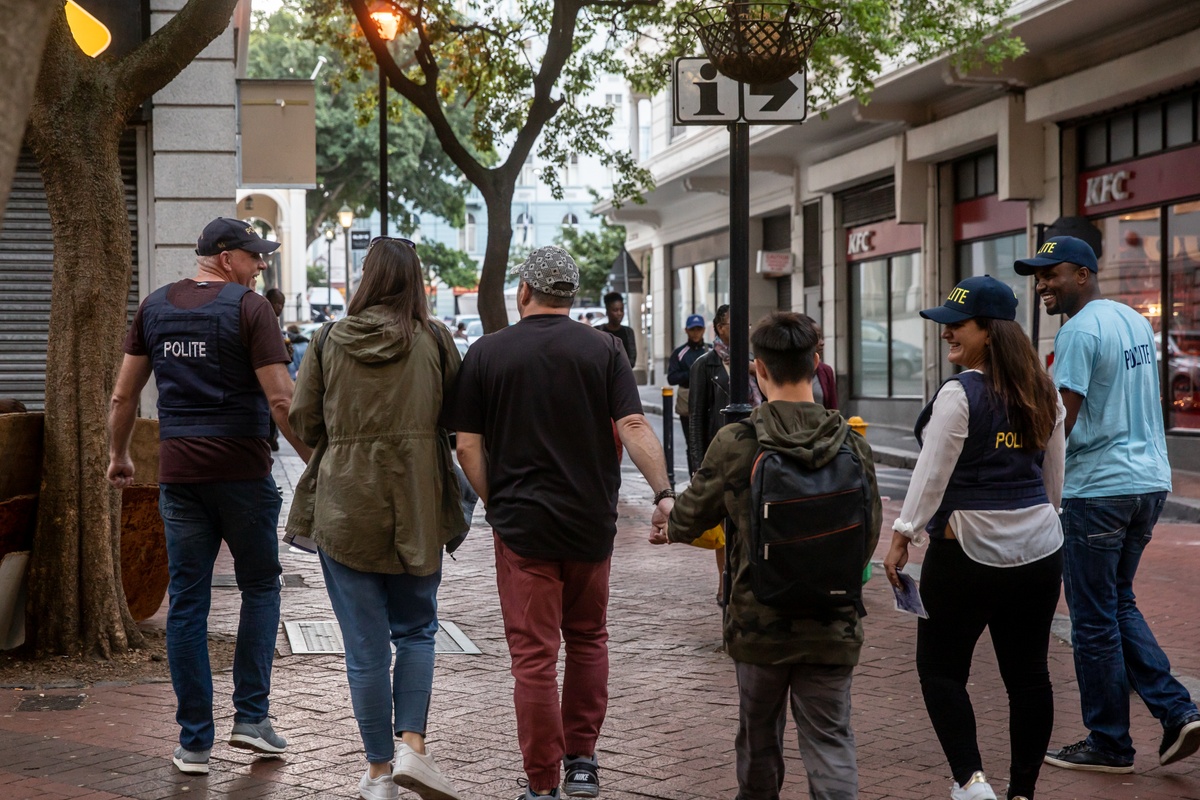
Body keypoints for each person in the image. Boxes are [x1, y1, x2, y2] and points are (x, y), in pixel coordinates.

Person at [442, 246, 674, 800]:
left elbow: (467, 448)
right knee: (589, 638)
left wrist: (497, 500)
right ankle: (584, 764)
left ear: (523, 292)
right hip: (590, 524)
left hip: (523, 529)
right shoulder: (605, 349)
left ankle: (543, 785)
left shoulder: (488, 353)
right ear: (571, 297)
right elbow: (635, 425)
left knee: (534, 659)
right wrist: (665, 494)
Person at [106, 217, 312, 776]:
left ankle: (195, 742)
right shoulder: (251, 310)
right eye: (255, 255)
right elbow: (281, 401)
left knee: (188, 603)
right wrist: (315, 461)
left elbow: (124, 394)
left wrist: (119, 455)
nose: (262, 265)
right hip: (243, 474)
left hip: (180, 478)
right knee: (261, 587)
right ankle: (252, 718)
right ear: (225, 257)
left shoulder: (153, 308)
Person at [651, 311, 881, 800]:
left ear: (757, 369)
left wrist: (668, 521)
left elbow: (691, 517)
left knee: (759, 740)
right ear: (815, 363)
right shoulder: (851, 443)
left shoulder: (738, 441)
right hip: (833, 622)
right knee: (831, 740)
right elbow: (869, 534)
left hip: (759, 622)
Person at [287, 236, 467, 800]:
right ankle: (412, 744)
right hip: (417, 501)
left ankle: (378, 775)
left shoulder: (327, 339)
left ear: (366, 278)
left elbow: (303, 420)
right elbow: (460, 417)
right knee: (416, 631)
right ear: (415, 278)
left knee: (365, 647)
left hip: (345, 504)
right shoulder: (435, 340)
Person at [1016, 236, 1200, 773]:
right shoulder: (1132, 320)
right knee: (1117, 603)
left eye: (1052, 274)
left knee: (1094, 618)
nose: (1042, 285)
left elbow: (1061, 421)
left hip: (1098, 488)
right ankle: (1177, 713)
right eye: (1038, 277)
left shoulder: (1077, 331)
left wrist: (1033, 480)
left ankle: (1110, 742)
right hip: (1148, 482)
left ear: (1084, 273)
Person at [883, 275, 1065, 800]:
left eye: (956, 325)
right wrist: (1039, 526)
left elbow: (930, 476)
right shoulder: (1043, 391)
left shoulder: (960, 394)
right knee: (1029, 676)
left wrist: (901, 537)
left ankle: (972, 781)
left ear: (989, 330)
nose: (947, 334)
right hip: (1038, 551)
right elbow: (1053, 481)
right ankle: (1022, 792)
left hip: (965, 552)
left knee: (940, 670)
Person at [688, 304, 762, 600]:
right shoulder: (705, 365)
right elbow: (696, 419)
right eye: (735, 324)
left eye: (745, 324)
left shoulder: (756, 363)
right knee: (723, 520)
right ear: (719, 328)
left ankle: (748, 577)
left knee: (750, 518)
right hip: (721, 454)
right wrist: (697, 466)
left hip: (756, 450)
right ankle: (724, 579)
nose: (742, 330)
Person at [666, 314, 708, 475]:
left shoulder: (710, 350)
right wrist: (693, 373)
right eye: (692, 329)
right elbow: (672, 377)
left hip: (708, 399)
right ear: (686, 331)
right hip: (687, 400)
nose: (696, 333)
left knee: (709, 442)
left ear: (704, 330)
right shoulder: (679, 353)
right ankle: (694, 477)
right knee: (692, 443)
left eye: (699, 329)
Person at [264, 288, 291, 450]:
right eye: (277, 304)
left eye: (282, 304)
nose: (280, 307)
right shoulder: (265, 321)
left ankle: (271, 437)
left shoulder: (275, 323)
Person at [597, 291, 636, 367]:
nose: (619, 313)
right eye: (615, 310)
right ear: (607, 311)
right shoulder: (598, 331)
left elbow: (632, 359)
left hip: (623, 376)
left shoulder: (628, 332)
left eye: (621, 310)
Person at [808, 317, 838, 411]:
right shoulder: (787, 370)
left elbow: (832, 410)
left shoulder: (826, 371)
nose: (822, 343)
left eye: (822, 337)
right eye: (817, 337)